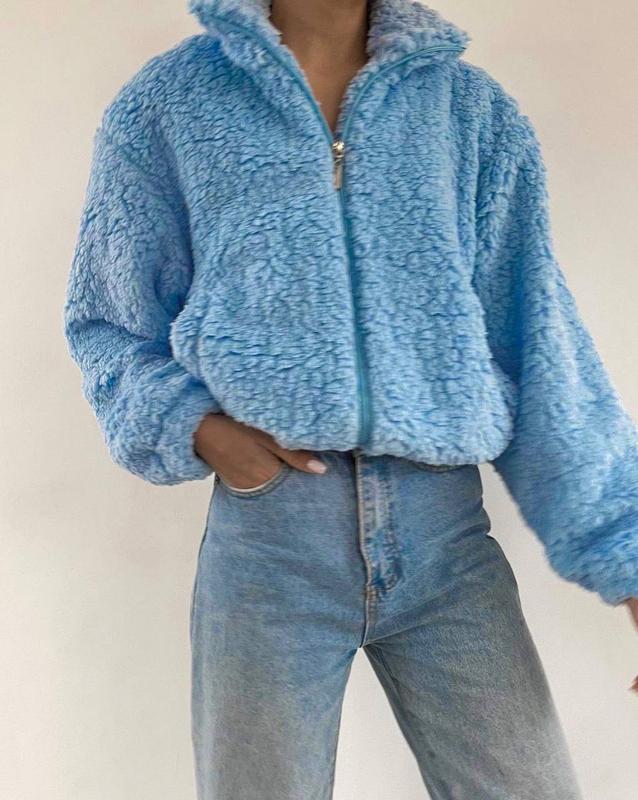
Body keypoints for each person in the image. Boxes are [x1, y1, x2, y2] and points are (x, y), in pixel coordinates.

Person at [63, 1, 638, 797]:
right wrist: (196, 428)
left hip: (446, 542)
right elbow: (108, 323)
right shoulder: (170, 105)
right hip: (272, 542)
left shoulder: (468, 112)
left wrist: (626, 555)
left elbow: (540, 344)